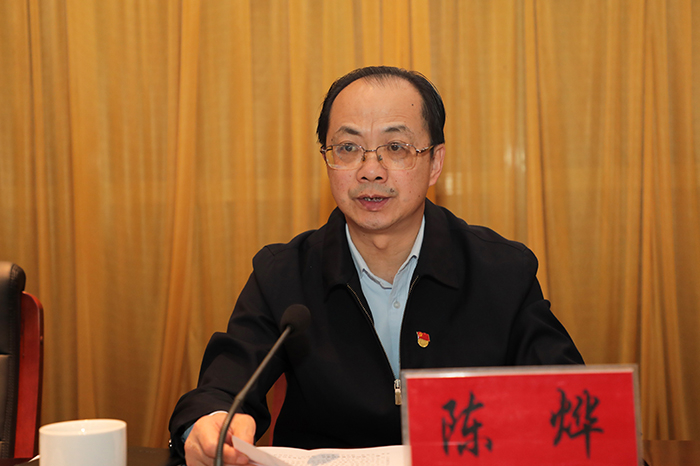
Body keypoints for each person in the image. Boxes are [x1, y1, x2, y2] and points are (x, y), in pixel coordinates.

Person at [169, 66, 584, 466]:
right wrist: (210, 424)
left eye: (396, 148)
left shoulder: (500, 271)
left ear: (435, 163)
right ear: (327, 159)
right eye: (348, 148)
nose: (370, 171)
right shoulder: (283, 274)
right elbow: (222, 389)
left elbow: (571, 399)